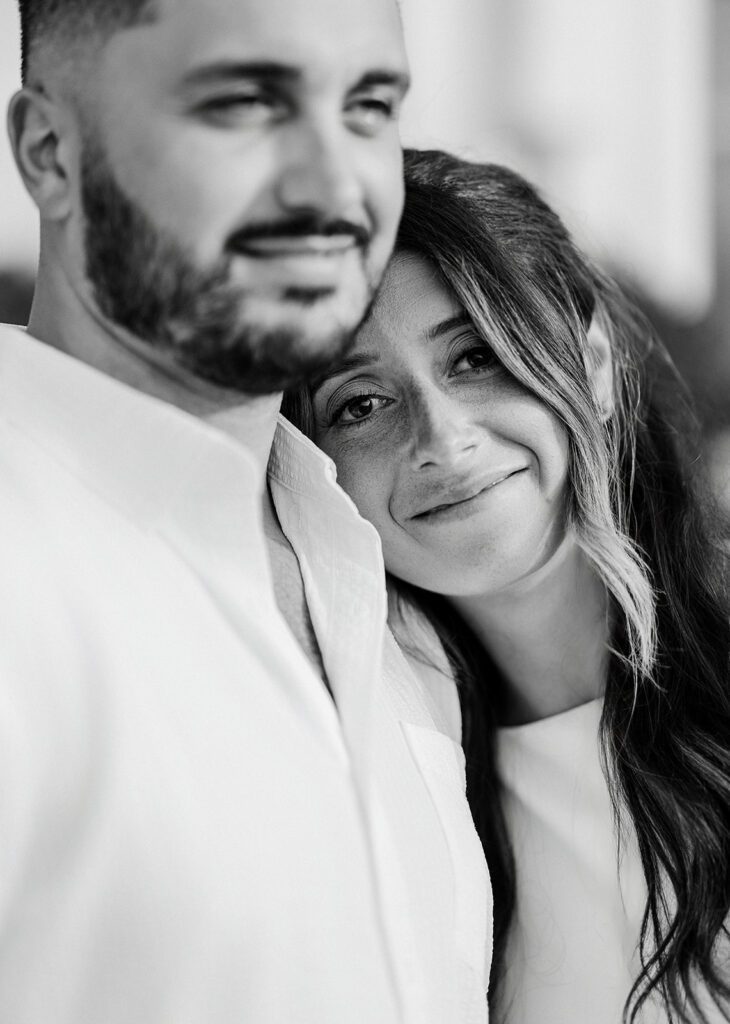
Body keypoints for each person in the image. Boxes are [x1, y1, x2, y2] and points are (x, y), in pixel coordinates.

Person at [0, 6, 491, 1021]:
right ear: (50, 152)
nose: (333, 185)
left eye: (368, 107)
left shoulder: (388, 575)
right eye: (244, 102)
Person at [285, 149, 730, 1024]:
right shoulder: (398, 794)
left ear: (593, 362)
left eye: (475, 357)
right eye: (359, 404)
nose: (443, 440)